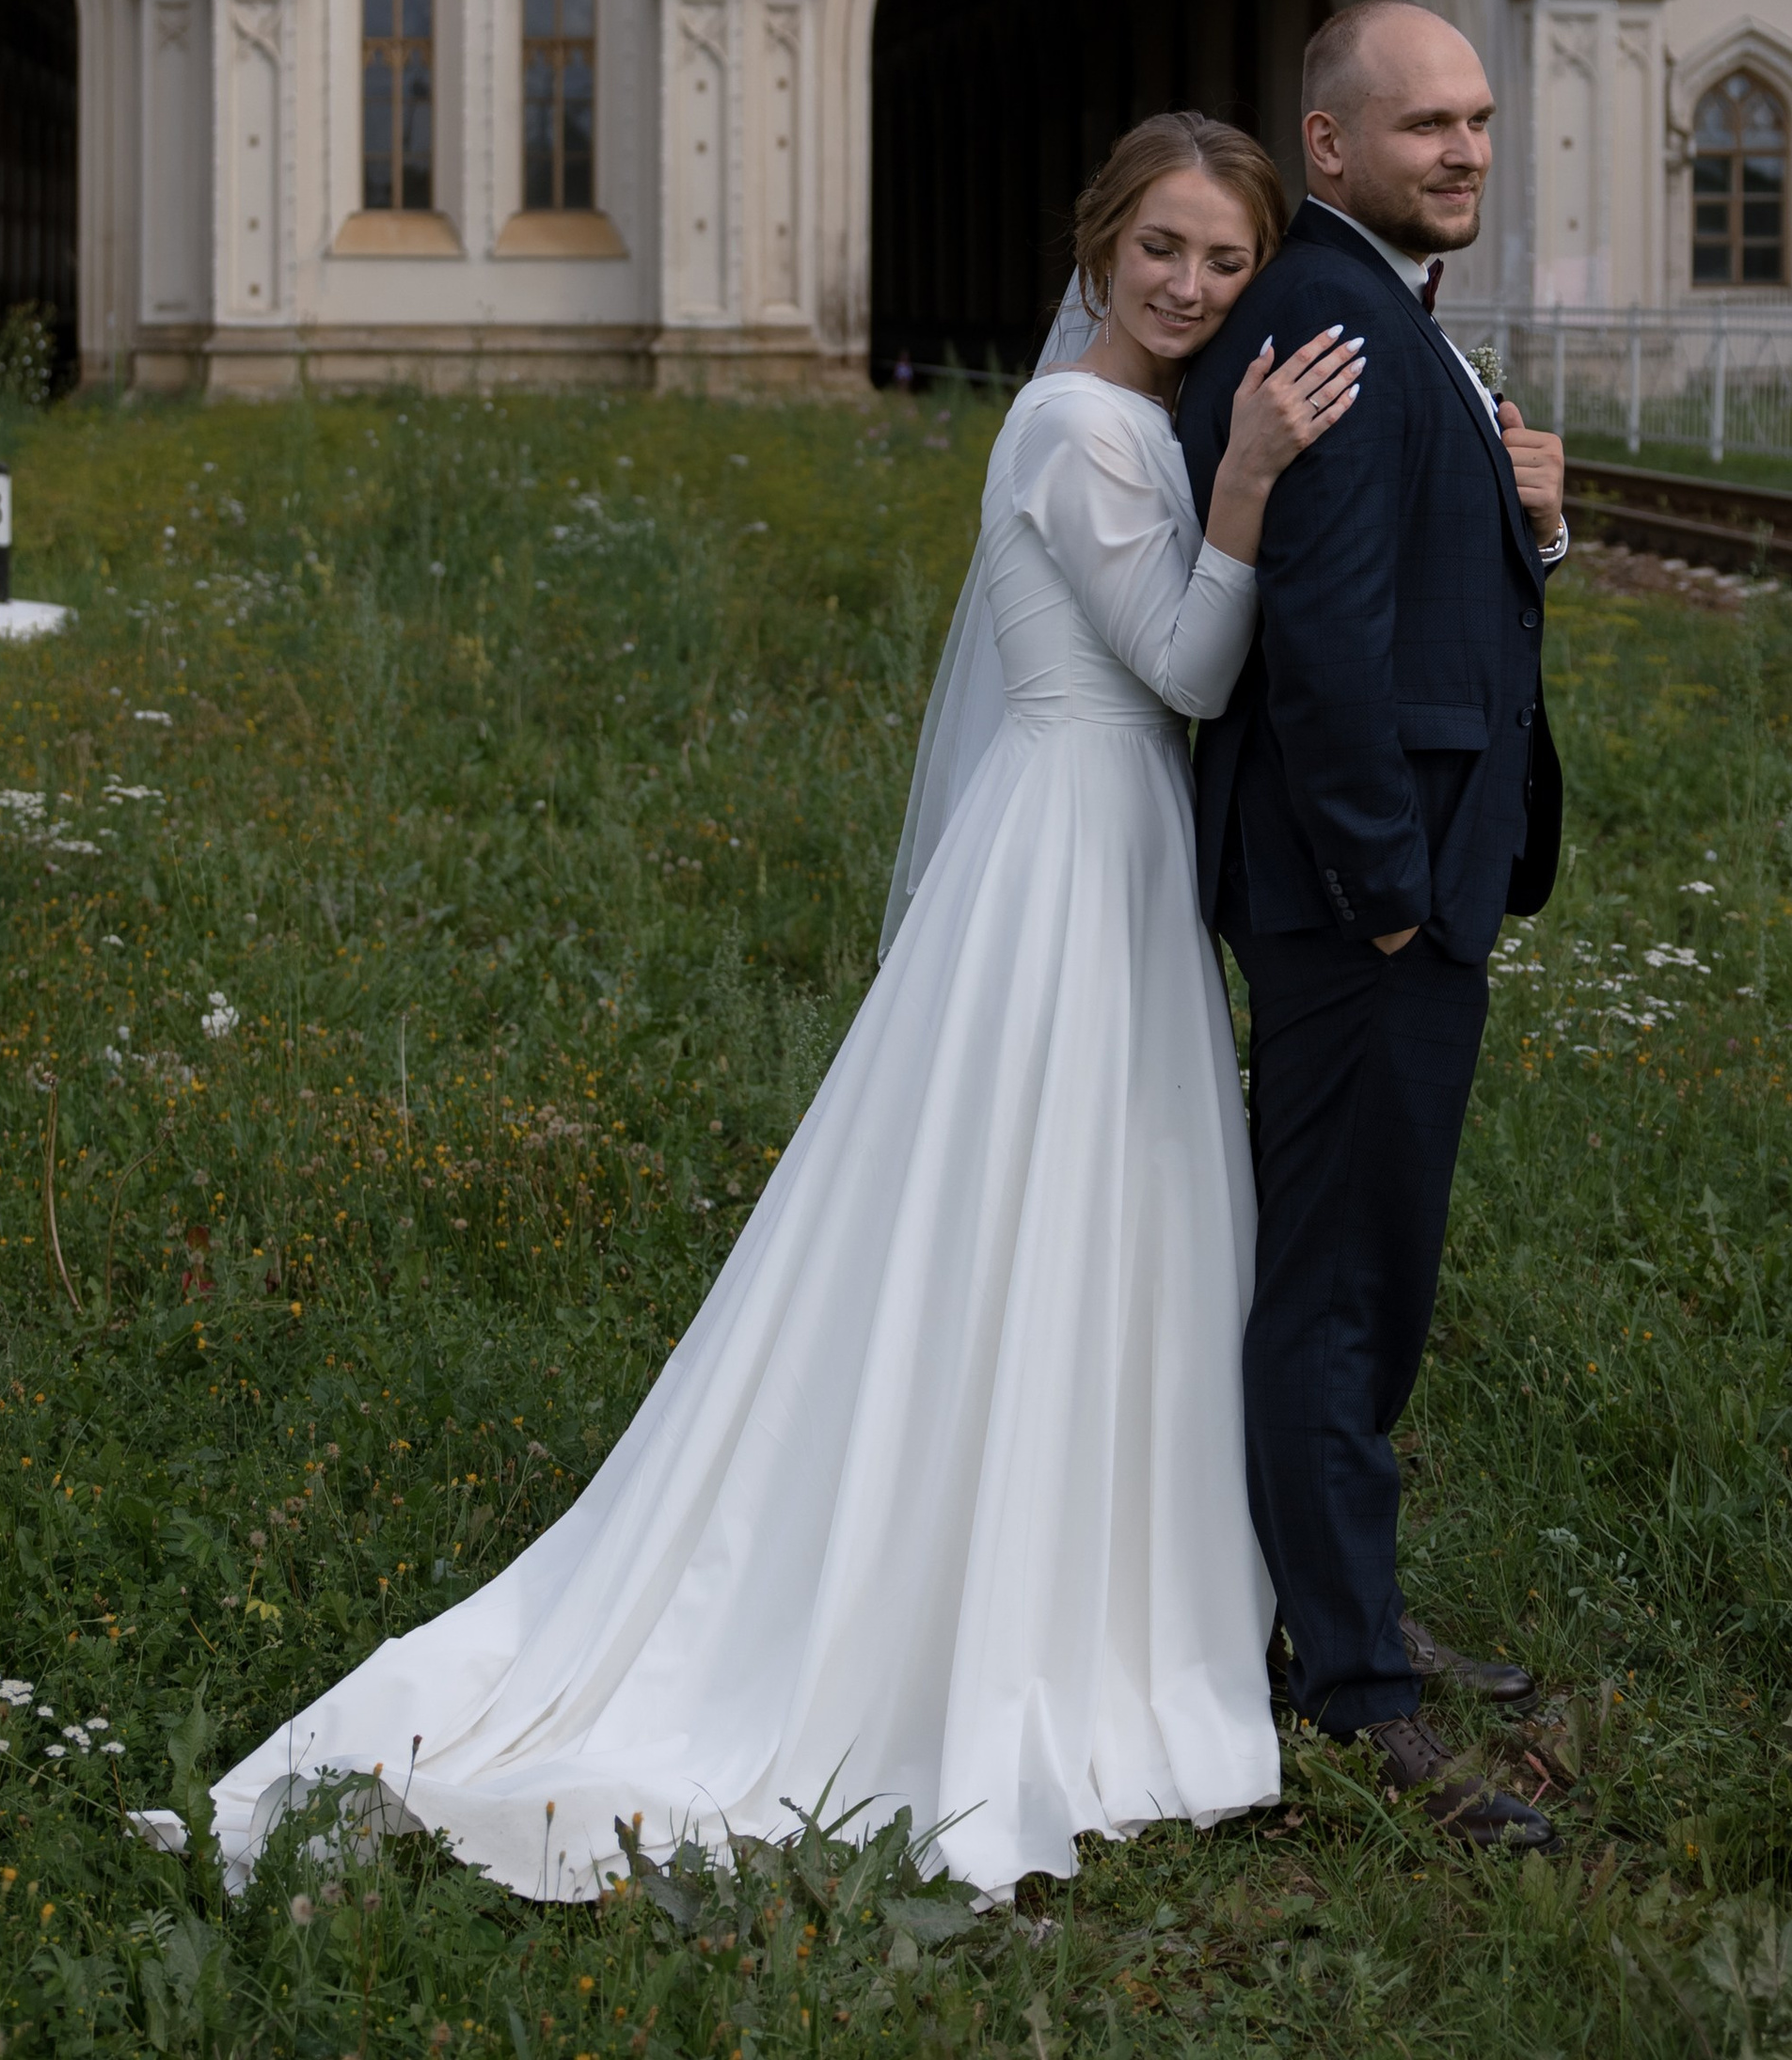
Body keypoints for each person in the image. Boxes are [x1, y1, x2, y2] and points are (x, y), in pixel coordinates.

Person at [184, 115, 1360, 1905]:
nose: (1195, 286)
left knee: (1114, 1215)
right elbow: (1188, 662)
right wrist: (1260, 477)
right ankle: (983, 1611)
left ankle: (1100, 1586)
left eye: (1225, 260)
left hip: (1107, 849)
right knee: (1030, 1202)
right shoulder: (1078, 424)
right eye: (1165, 252)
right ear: (1098, 245)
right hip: (1062, 854)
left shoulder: (1130, 419)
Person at [1176, 1, 1565, 1852]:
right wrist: (1387, 897)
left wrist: (1532, 530)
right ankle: (1351, 1690)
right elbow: (1312, 642)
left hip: (1404, 884)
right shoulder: (1325, 318)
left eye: (1476, 119)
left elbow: (1409, 583)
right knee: (1333, 1290)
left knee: (1369, 1273)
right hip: (1367, 906)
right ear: (1326, 149)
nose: (1464, 150)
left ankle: (1338, 1609)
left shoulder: (1381, 310)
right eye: (1423, 125)